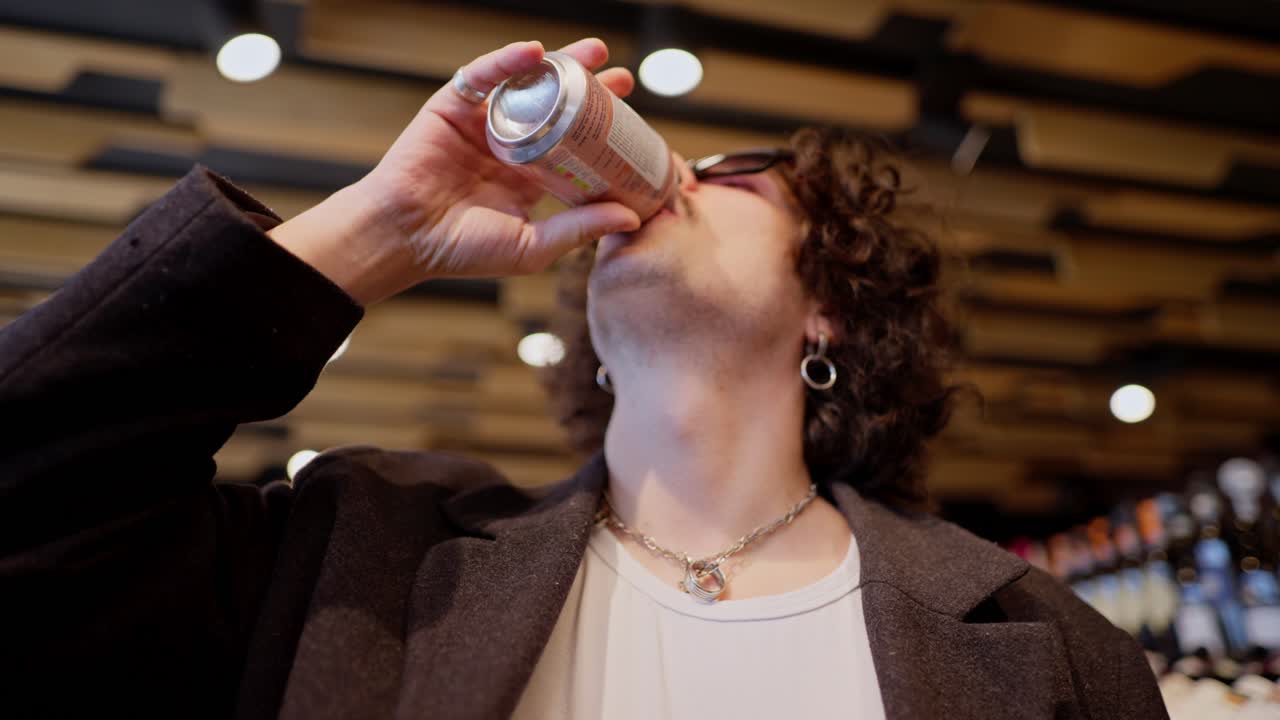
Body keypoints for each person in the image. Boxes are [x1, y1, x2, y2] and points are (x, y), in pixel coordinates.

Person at [0, 38, 1166, 719]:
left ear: (832, 306)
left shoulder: (1041, 642)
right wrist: (372, 230)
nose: (671, 188)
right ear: (596, 344)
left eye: (735, 179)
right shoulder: (358, 554)